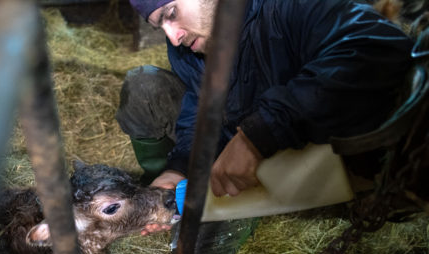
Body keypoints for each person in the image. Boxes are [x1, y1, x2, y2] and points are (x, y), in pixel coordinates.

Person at [116, 0, 414, 235]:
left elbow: (376, 46)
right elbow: (201, 109)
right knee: (143, 85)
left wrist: (258, 135)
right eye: (160, 26)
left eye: (172, 13)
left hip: (331, 164)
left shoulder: (290, 6)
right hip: (262, 164)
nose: (173, 36)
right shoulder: (188, 48)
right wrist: (180, 168)